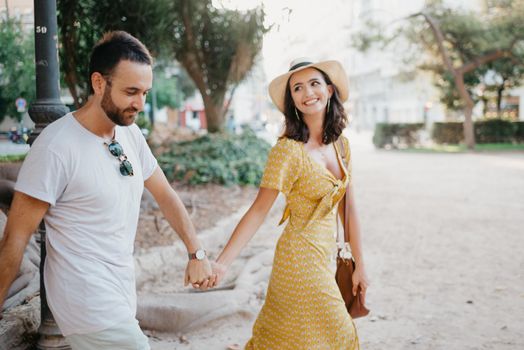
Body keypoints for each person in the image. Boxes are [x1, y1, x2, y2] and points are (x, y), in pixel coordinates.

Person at [0, 31, 212, 349]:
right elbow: (15, 240)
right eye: (131, 92)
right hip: (85, 301)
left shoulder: (130, 135)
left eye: (144, 92)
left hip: (120, 294)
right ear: (99, 83)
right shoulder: (56, 147)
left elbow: (166, 194)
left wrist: (196, 253)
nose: (139, 103)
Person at [209, 58, 369, 349]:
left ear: (330, 90)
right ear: (292, 99)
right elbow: (259, 211)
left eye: (314, 83)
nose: (308, 92)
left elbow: (350, 210)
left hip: (326, 256)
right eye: (298, 88)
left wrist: (359, 265)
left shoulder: (341, 145)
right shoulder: (286, 151)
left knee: (290, 336)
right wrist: (222, 264)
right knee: (340, 334)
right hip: (298, 258)